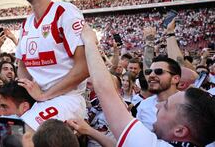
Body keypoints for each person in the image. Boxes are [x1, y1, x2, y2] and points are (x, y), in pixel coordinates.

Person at [81, 24, 215, 147]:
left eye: (166, 105)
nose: (157, 105)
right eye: (149, 71)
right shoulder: (146, 107)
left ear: (180, 131)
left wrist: (90, 42)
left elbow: (105, 91)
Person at [16, 0, 89, 130]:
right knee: (5, 129)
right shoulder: (26, 23)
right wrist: (29, 91)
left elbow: (84, 67)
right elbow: (22, 65)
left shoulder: (65, 12)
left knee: (26, 134)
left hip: (68, 98)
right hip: (39, 100)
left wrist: (44, 95)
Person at [136, 56, 181, 131]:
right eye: (149, 72)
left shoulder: (190, 104)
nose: (151, 75)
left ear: (175, 79)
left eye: (159, 71)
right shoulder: (144, 105)